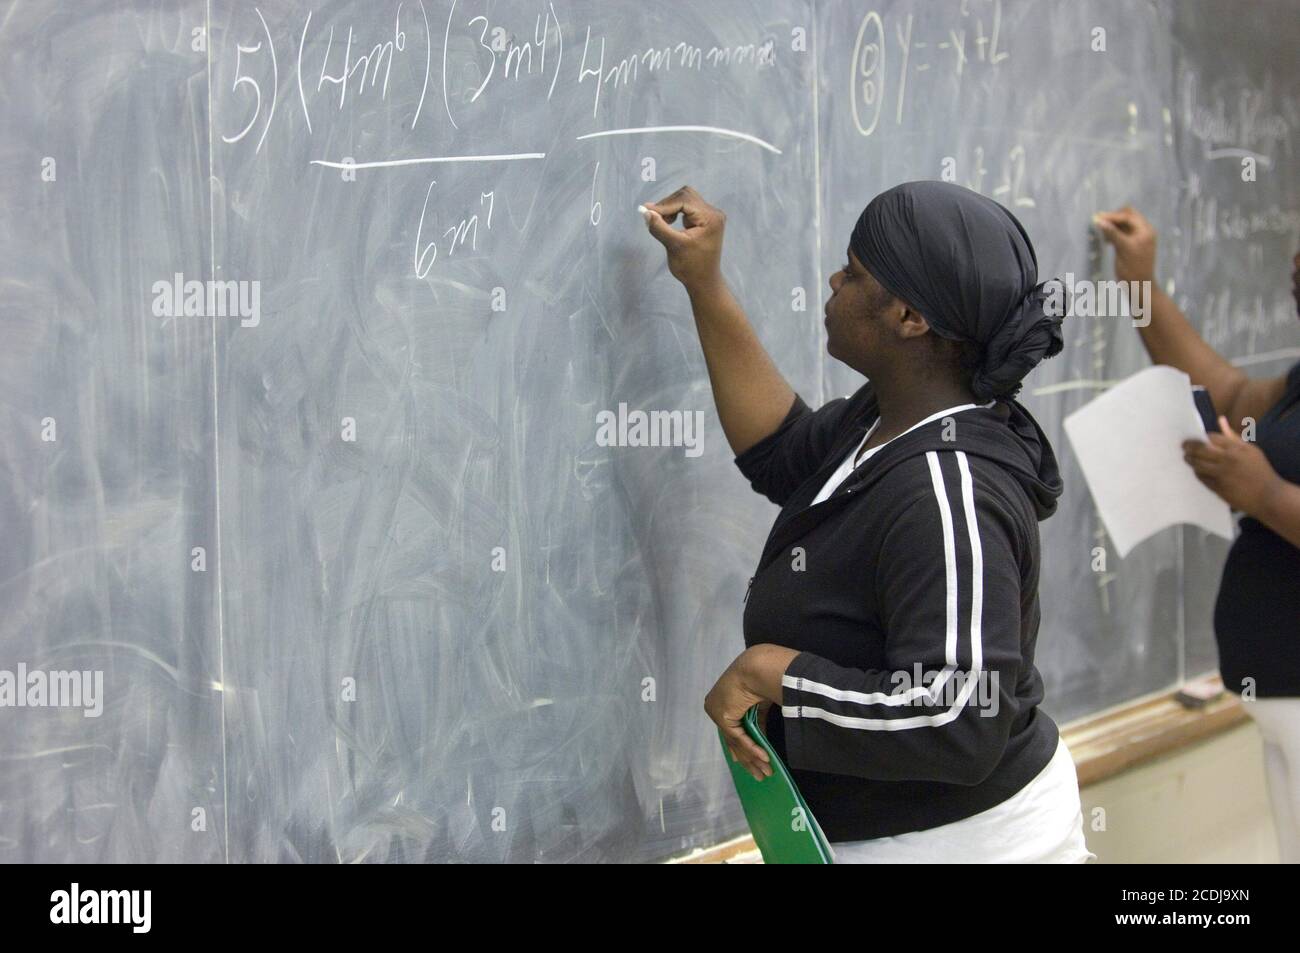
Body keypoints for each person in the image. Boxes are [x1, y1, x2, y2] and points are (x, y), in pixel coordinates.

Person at [642, 181, 1093, 862]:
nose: (834, 280)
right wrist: (704, 283)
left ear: (910, 316)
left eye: (854, 272)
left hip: (965, 845)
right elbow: (782, 453)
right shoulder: (887, 417)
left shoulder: (948, 489)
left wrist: (780, 675)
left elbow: (961, 715)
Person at [1097, 207, 1300, 863]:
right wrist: (1140, 287)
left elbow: (1265, 479)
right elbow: (1233, 394)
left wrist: (1267, 494)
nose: (1293, 264)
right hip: (1277, 700)